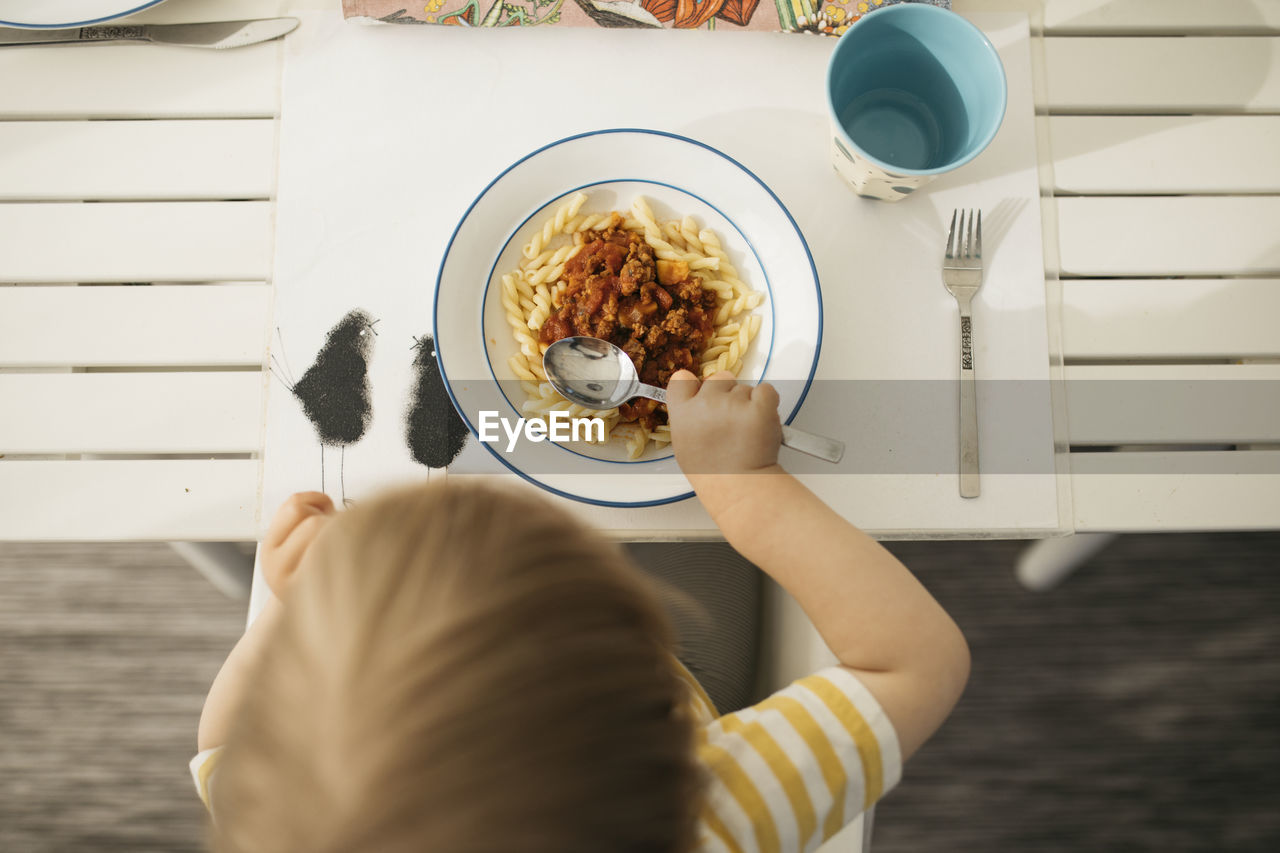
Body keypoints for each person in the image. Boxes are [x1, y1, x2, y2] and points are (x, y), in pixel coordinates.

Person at [193, 369, 970, 852]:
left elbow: (223, 744)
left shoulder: (309, 811)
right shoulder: (717, 807)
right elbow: (915, 659)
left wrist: (294, 617)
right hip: (696, 664)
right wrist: (744, 488)